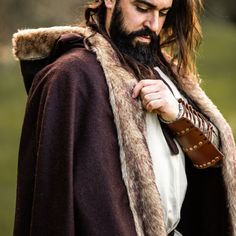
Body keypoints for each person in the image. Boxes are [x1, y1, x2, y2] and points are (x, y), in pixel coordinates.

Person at [12, 0, 236, 235]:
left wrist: (177, 114)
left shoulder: (164, 70)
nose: (153, 24)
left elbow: (214, 160)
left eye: (163, 13)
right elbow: (52, 204)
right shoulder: (71, 77)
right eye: (142, 8)